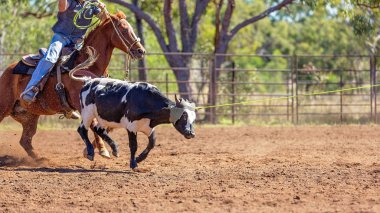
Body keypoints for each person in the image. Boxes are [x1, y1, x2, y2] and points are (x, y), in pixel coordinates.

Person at [20, 0, 106, 105]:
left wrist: (103, 8)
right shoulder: (68, 1)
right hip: (61, 37)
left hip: (78, 42)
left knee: (89, 60)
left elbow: (105, 19)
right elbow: (62, 7)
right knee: (50, 58)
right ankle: (30, 90)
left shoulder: (92, 5)